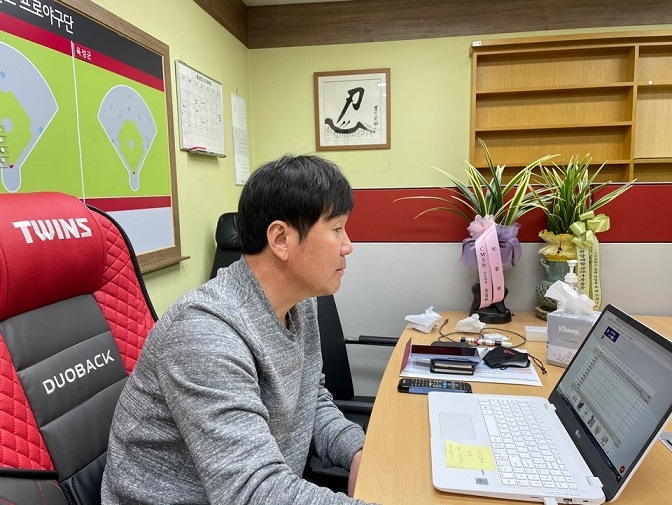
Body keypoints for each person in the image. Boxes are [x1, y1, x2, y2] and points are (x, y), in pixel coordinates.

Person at [101, 154, 377, 504]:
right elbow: (252, 492)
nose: (348, 245)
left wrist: (357, 450)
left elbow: (310, 398)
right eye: (337, 229)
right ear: (281, 239)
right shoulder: (205, 334)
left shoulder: (300, 303)